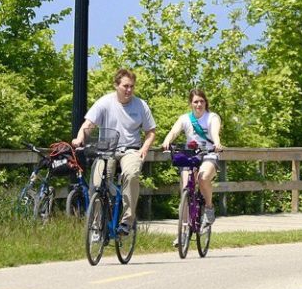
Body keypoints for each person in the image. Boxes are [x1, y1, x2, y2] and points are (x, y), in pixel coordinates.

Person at [73, 68, 156, 236]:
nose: (129, 90)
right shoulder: (104, 102)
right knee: (96, 183)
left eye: (132, 86)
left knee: (131, 174)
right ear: (116, 85)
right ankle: (96, 225)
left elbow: (151, 131)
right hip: (107, 149)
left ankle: (127, 221)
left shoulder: (140, 105)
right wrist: (79, 138)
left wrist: (144, 149)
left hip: (131, 149)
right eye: (125, 86)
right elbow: (88, 125)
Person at [159, 89, 225, 228]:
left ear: (206, 103)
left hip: (209, 154)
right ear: (191, 103)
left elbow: (214, 132)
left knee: (203, 177)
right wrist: (167, 141)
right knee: (185, 189)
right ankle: (183, 230)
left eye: (201, 101)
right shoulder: (185, 118)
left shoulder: (212, 117)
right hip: (192, 155)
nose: (199, 104)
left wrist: (217, 142)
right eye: (196, 101)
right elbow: (174, 131)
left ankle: (208, 207)